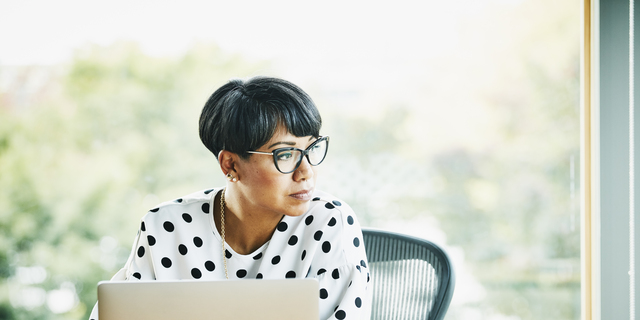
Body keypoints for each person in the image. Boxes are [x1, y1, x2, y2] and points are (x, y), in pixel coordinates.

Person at [89, 76, 370, 320]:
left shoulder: (330, 223)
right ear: (231, 166)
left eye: (312, 148)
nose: (306, 172)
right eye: (285, 154)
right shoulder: (164, 228)